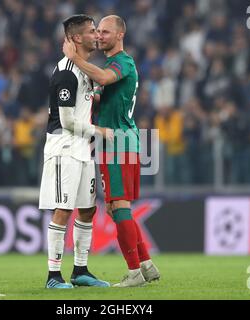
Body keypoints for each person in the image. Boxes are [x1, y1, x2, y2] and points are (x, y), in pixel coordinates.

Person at [63, 15, 160, 287]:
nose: (99, 36)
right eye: (98, 32)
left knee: (119, 207)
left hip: (118, 143)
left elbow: (104, 78)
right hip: (117, 142)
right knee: (120, 208)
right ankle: (146, 264)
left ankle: (134, 273)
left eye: (105, 32)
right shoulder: (113, 64)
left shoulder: (121, 63)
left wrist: (75, 59)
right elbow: (100, 93)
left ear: (119, 35)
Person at [39, 14, 113, 289]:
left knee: (88, 209)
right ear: (77, 38)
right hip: (64, 147)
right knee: (63, 209)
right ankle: (53, 276)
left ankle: (80, 270)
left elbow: (91, 97)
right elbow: (68, 121)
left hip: (82, 149)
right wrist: (100, 132)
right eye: (92, 31)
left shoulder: (84, 68)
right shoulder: (67, 73)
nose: (97, 35)